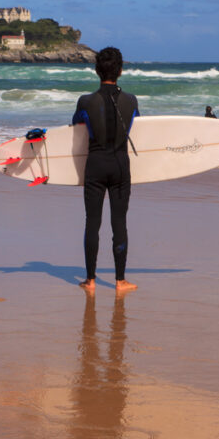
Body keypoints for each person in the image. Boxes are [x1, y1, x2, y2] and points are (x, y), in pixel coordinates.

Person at [71, 46, 139, 293]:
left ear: (97, 71)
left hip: (95, 166)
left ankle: (90, 280)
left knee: (93, 222)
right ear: (120, 71)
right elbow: (136, 124)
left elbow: (76, 125)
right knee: (119, 221)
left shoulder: (86, 101)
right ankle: (120, 281)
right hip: (121, 165)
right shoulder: (131, 100)